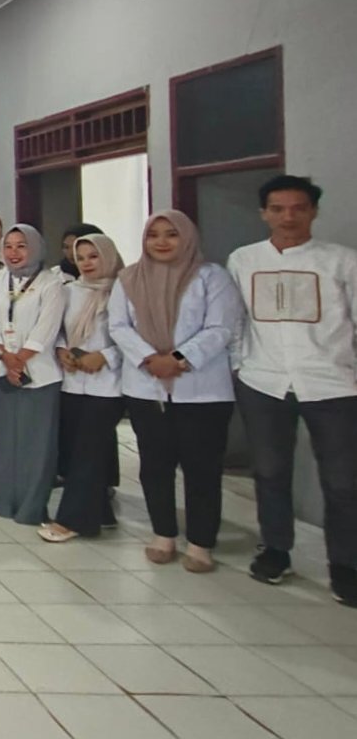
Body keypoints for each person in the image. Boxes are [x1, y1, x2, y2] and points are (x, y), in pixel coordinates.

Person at [229, 176, 357, 604]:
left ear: (313, 212)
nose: (288, 217)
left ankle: (345, 564)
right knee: (269, 471)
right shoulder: (244, 259)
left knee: (342, 480)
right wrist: (240, 365)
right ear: (264, 213)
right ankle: (276, 549)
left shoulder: (342, 261)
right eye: (278, 209)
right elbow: (236, 320)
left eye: (298, 208)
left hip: (332, 384)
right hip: (264, 381)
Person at [111, 211, 239, 572]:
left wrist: (179, 359)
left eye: (171, 234)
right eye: (154, 235)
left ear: (187, 238)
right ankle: (163, 534)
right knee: (155, 466)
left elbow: (220, 327)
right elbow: (118, 326)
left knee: (202, 468)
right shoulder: (129, 278)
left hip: (202, 392)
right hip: (146, 388)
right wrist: (150, 359)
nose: (162, 242)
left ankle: (200, 542)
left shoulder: (211, 277)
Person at [42, 234, 126, 543]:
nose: (87, 263)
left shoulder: (123, 291)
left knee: (88, 452)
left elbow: (133, 336)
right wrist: (62, 350)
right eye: (81, 258)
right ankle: (101, 511)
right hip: (72, 382)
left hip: (108, 385)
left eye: (94, 256)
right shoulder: (68, 291)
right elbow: (57, 330)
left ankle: (72, 520)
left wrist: (105, 356)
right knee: (78, 450)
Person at [0, 225, 65, 526]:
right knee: (5, 441)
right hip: (0, 369)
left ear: (35, 248)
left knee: (36, 444)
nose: (14, 253)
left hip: (38, 373)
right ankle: (5, 502)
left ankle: (31, 507)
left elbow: (47, 327)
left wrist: (21, 359)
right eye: (9, 246)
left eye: (21, 246)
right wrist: (5, 356)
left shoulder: (50, 283)